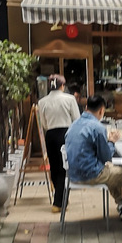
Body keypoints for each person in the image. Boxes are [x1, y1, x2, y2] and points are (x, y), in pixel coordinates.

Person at [65, 95, 122, 220]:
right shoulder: (97, 127)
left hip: (72, 174)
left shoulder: (74, 124)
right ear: (101, 110)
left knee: (112, 170)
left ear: (86, 107)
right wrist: (111, 141)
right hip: (90, 174)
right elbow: (106, 157)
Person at [38, 74, 80, 213]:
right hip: (66, 135)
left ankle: (61, 197)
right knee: (64, 168)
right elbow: (76, 119)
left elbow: (43, 123)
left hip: (50, 135)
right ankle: (58, 202)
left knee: (55, 167)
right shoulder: (70, 99)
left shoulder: (42, 102)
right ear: (62, 86)